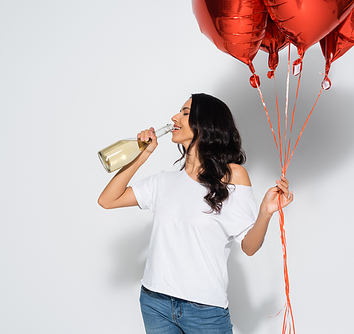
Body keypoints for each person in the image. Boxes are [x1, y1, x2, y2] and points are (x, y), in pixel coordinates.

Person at [98, 93, 293, 334]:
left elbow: (249, 247)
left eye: (185, 112)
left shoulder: (232, 176)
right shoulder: (163, 182)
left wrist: (265, 211)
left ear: (207, 123)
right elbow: (107, 200)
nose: (174, 117)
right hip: (155, 302)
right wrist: (142, 155)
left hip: (205, 311)